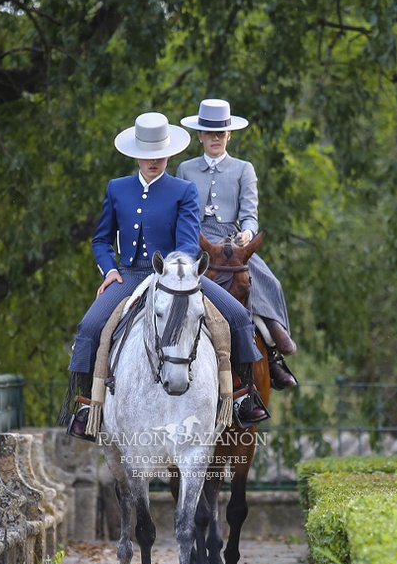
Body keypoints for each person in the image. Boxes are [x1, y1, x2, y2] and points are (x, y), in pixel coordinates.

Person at [64, 111, 270, 441]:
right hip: (130, 276)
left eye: (159, 155)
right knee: (89, 327)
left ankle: (244, 398)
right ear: (136, 156)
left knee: (236, 315)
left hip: (177, 276)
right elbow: (101, 239)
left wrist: (177, 272)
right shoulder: (117, 189)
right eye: (147, 156)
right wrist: (110, 269)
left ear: (169, 154)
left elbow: (189, 242)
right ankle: (88, 405)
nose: (154, 161)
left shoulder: (183, 190)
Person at [177, 98, 299, 390]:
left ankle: (271, 353)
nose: (216, 138)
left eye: (221, 133)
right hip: (196, 239)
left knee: (268, 281)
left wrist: (247, 232)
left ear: (229, 135)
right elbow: (181, 212)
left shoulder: (244, 169)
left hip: (232, 240)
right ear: (200, 136)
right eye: (210, 133)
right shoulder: (185, 168)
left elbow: (249, 215)